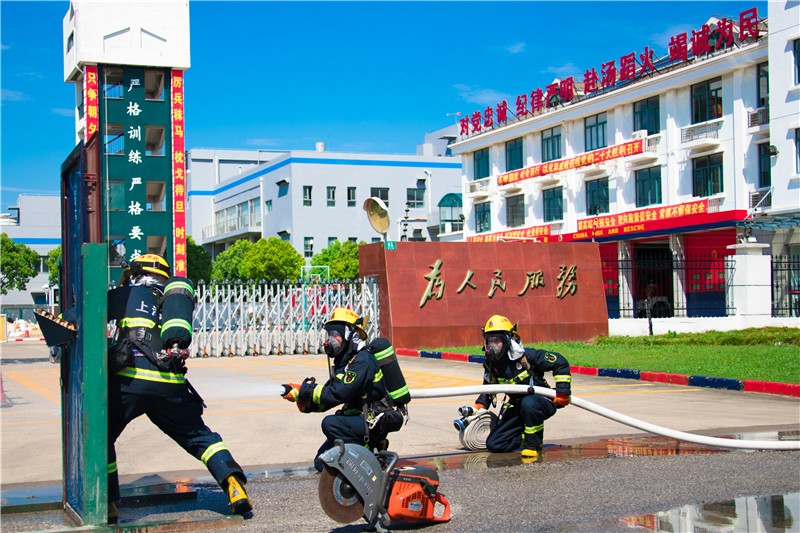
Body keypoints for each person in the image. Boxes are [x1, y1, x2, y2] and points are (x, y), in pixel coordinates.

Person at [106, 254, 252, 523]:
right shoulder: (174, 301)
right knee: (200, 438)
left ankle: (109, 502)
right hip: (171, 385)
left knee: (102, 436)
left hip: (131, 380)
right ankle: (233, 485)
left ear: (136, 274)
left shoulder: (127, 295)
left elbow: (83, 317)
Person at [282, 307, 403, 472]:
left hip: (371, 419)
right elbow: (329, 393)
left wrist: (304, 390)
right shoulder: (345, 363)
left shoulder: (362, 362)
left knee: (331, 423)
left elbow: (338, 393)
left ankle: (368, 453)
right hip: (356, 417)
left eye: (335, 334)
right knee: (322, 463)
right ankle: (371, 447)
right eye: (329, 334)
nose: (330, 340)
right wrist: (308, 404)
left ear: (350, 336)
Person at [472, 315, 571, 461]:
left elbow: (560, 362)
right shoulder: (491, 363)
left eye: (497, 340)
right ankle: (528, 435)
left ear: (507, 341)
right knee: (495, 444)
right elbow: (489, 385)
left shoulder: (527, 356)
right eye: (489, 340)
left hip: (540, 401)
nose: (492, 345)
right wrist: (480, 405)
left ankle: (534, 446)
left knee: (529, 403)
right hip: (518, 406)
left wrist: (563, 392)